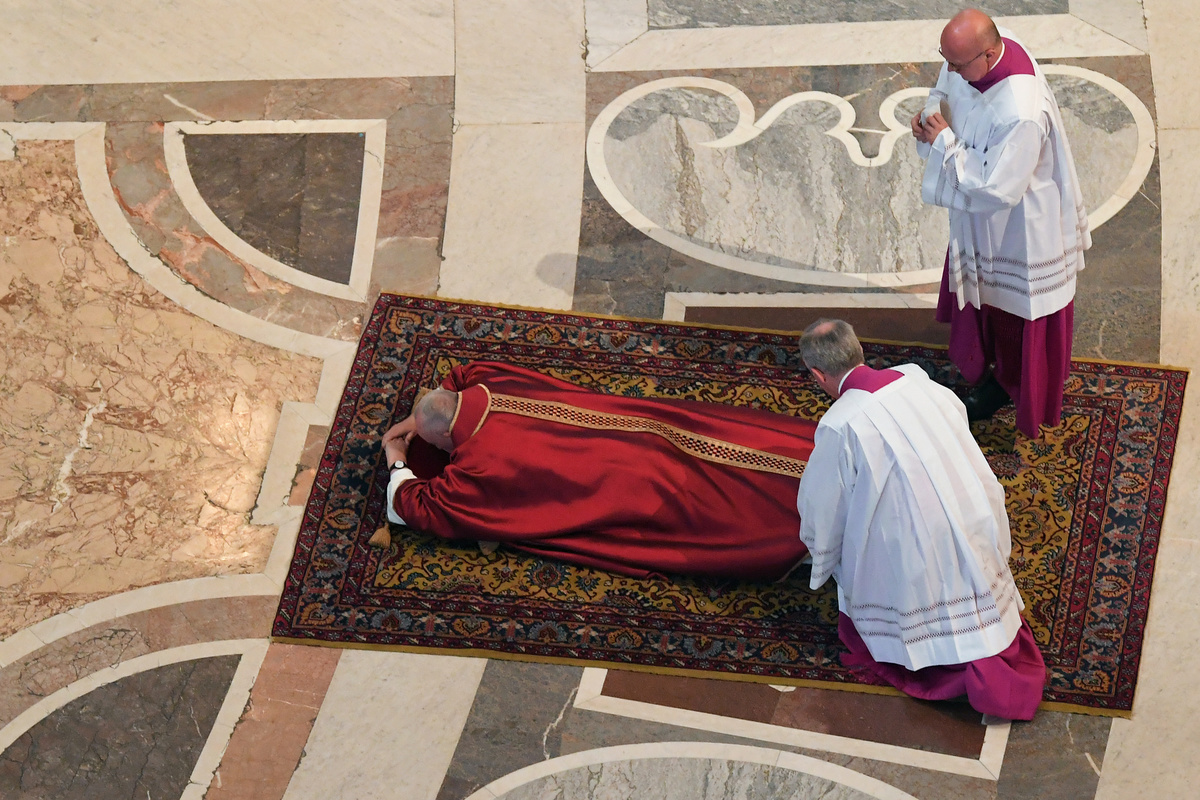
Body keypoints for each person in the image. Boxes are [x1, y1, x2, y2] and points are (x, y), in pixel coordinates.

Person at [796, 319, 1046, 720]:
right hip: (971, 512)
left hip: (915, 547)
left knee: (871, 551)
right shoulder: (917, 380)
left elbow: (824, 504)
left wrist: (820, 550)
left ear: (817, 374)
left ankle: (949, 656)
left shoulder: (841, 424)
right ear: (859, 350)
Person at [377, 360, 815, 581]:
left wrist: (397, 457)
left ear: (443, 435)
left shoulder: (478, 467)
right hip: (645, 432)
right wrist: (423, 416)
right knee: (714, 447)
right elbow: (458, 379)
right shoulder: (489, 381)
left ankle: (806, 530)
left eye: (435, 442)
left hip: (638, 485)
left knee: (713, 512)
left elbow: (419, 508)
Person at [912, 8, 1088, 437]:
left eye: (957, 64)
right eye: (946, 58)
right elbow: (945, 90)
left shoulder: (1021, 112)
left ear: (989, 55)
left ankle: (1010, 385)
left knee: (1014, 313)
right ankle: (981, 361)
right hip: (981, 219)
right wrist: (929, 117)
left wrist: (943, 142)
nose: (950, 70)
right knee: (982, 295)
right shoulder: (978, 51)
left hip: (1019, 226)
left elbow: (998, 188)